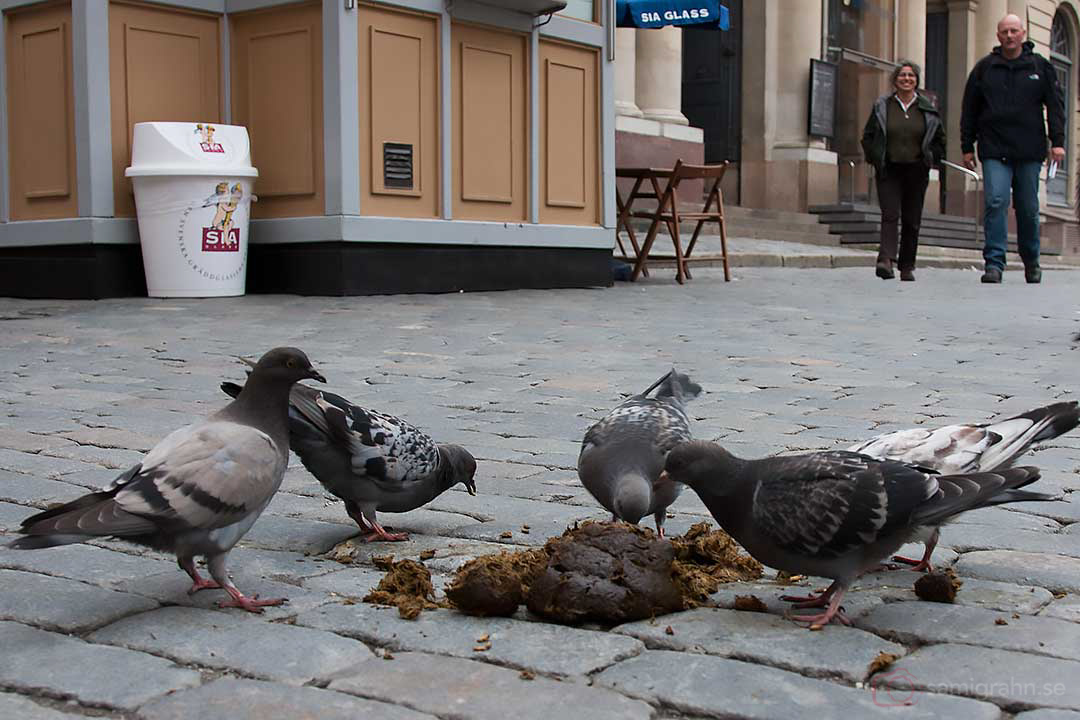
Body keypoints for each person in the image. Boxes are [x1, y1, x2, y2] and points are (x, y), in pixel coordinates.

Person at [960, 14, 1065, 284]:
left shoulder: (1040, 67)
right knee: (995, 201)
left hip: (1029, 150)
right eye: (1005, 31)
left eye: (1014, 31)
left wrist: (1059, 142)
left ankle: (1031, 260)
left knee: (1028, 207)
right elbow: (969, 109)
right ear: (998, 36)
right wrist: (966, 145)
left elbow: (1055, 106)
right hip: (994, 148)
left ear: (1023, 33)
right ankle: (994, 263)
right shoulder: (985, 68)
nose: (1009, 36)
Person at [861, 61, 945, 282]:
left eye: (911, 76)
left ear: (916, 81)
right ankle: (886, 260)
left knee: (912, 219)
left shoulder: (927, 108)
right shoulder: (883, 105)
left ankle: (907, 264)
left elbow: (939, 140)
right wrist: (874, 156)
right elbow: (868, 135)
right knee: (890, 214)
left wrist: (930, 159)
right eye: (902, 76)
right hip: (889, 168)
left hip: (916, 170)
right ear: (895, 80)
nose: (906, 79)